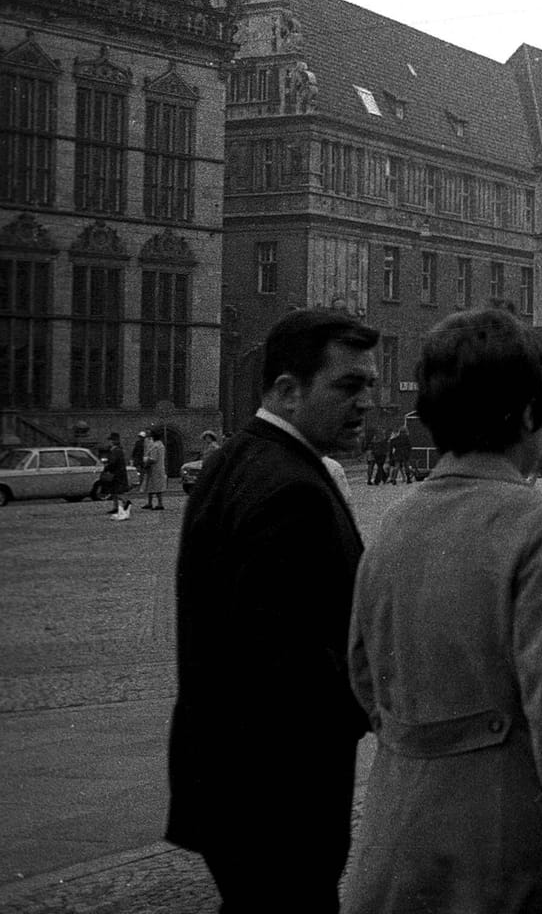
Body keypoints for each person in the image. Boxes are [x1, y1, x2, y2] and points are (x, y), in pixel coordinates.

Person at [343, 307, 542, 914]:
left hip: (393, 840)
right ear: (527, 415)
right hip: (498, 849)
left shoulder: (394, 521)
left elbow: (363, 674)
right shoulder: (537, 524)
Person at [167, 308, 380, 909]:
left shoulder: (238, 458)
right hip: (278, 790)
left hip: (229, 780)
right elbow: (288, 666)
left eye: (369, 384)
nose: (366, 400)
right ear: (287, 390)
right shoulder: (292, 489)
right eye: (347, 385)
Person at [101, 431, 132, 520]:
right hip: (117, 473)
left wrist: (107, 466)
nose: (109, 442)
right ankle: (116, 507)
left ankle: (126, 503)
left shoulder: (116, 450)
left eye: (110, 440)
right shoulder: (115, 450)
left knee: (118, 491)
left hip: (117, 474)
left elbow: (113, 462)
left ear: (114, 441)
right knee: (114, 491)